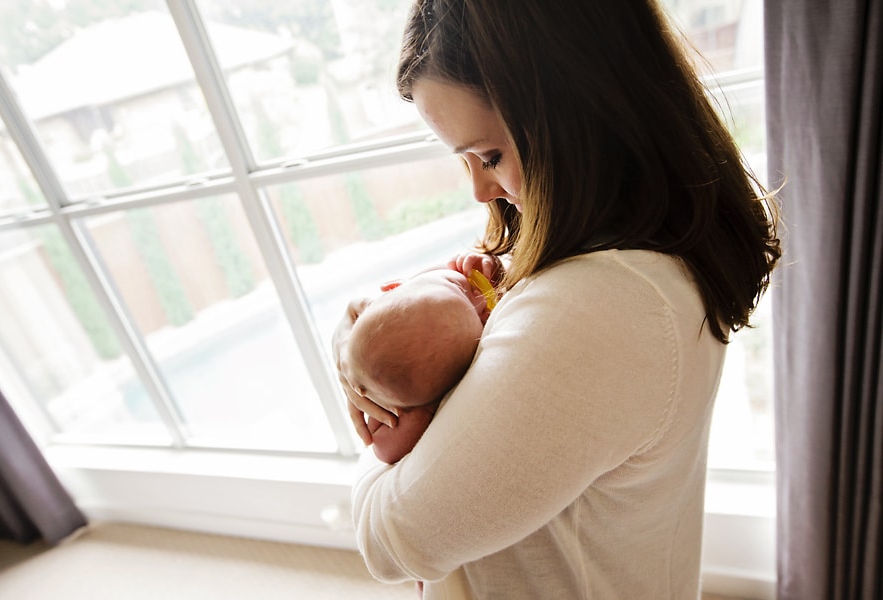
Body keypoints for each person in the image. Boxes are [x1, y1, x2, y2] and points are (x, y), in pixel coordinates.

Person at [333, 1, 781, 598]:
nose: (477, 189)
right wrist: (359, 344)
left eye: (489, 156)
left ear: (578, 112)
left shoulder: (599, 308)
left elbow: (391, 536)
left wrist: (389, 412)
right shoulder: (624, 253)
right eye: (464, 160)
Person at [342, 264, 498, 464]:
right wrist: (421, 414)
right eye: (481, 319)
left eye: (456, 284)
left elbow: (451, 268)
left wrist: (472, 261)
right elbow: (383, 450)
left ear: (395, 286)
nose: (481, 297)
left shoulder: (425, 295)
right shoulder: (394, 406)